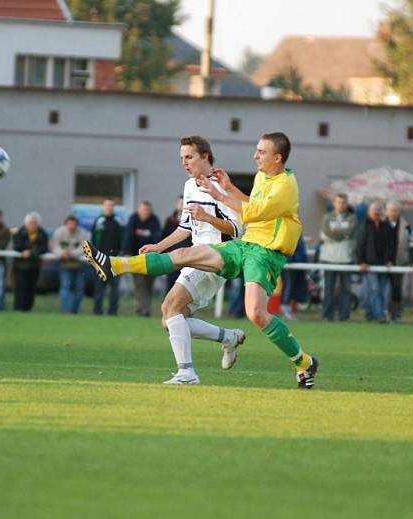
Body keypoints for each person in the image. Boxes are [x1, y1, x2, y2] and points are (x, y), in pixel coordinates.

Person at [84, 132, 320, 389]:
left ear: (277, 157)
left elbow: (252, 213)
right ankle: (115, 265)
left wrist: (220, 194)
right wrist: (228, 189)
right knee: (176, 285)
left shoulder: (285, 186)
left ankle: (304, 362)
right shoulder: (261, 176)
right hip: (244, 246)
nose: (255, 156)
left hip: (265, 253)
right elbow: (249, 204)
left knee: (255, 314)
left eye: (261, 152)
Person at [133, 135, 244, 384]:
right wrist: (158, 247)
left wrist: (208, 217)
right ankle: (228, 337)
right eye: (182, 158)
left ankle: (187, 373)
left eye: (189, 156)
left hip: (216, 257)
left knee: (171, 307)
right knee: (169, 319)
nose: (185, 162)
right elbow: (186, 228)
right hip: (194, 254)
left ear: (206, 156)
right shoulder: (189, 185)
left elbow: (238, 230)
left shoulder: (222, 186)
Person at [319, 193, 357, 321]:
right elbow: (328, 232)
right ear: (334, 203)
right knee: (328, 289)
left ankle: (344, 316)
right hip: (328, 259)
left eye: (343, 202)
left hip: (346, 259)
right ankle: (327, 316)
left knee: (346, 290)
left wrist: (336, 233)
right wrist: (342, 234)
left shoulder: (352, 218)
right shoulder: (326, 217)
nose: (341, 204)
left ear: (347, 204)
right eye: (338, 202)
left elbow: (350, 231)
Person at [123, 200, 161, 316]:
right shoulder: (133, 220)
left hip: (151, 258)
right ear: (139, 210)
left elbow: (157, 237)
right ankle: (143, 309)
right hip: (136, 257)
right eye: (143, 210)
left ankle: (145, 308)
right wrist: (127, 253)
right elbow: (128, 237)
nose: (145, 212)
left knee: (149, 285)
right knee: (139, 284)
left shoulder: (154, 221)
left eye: (147, 210)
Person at [357, 202, 393, 322]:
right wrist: (361, 261)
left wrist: (389, 260)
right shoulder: (364, 225)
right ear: (369, 212)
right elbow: (360, 245)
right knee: (375, 290)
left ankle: (372, 314)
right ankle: (379, 315)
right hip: (369, 265)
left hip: (383, 265)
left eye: (378, 209)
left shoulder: (386, 226)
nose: (376, 212)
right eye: (374, 209)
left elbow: (390, 245)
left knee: (382, 291)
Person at [51, 215, 89, 314]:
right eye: (69, 224)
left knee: (79, 289)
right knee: (65, 287)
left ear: (77, 225)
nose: (71, 226)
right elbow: (55, 246)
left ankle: (75, 310)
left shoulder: (83, 233)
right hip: (65, 264)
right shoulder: (59, 232)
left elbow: (84, 248)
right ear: (65, 224)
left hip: (79, 265)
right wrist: (61, 253)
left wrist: (70, 253)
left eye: (74, 224)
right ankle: (66, 310)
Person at [91, 199, 123, 315]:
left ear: (114, 207)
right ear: (103, 207)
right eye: (107, 205)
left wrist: (121, 252)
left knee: (114, 288)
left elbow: (123, 238)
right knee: (99, 287)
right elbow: (93, 239)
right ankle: (97, 310)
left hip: (116, 259)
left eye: (111, 205)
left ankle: (112, 311)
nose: (109, 207)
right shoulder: (99, 221)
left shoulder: (118, 221)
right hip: (101, 259)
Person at [13, 211, 48, 312]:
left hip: (34, 266)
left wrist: (31, 252)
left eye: (35, 223)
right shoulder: (19, 232)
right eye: (31, 223)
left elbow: (43, 248)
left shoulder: (42, 234)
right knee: (20, 287)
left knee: (31, 288)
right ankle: (18, 308)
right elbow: (17, 246)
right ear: (26, 223)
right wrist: (24, 251)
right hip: (20, 266)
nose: (33, 225)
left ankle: (28, 308)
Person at [385, 201, 411, 322]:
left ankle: (396, 315)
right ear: (387, 211)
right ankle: (382, 314)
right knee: (382, 291)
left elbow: (410, 245)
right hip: (383, 264)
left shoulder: (406, 226)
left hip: (399, 263)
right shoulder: (381, 224)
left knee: (397, 290)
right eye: (391, 210)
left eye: (395, 210)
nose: (393, 212)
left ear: (399, 212)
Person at [161, 195, 192, 291]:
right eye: (180, 203)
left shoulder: (193, 221)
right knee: (170, 286)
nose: (182, 206)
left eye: (184, 203)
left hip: (188, 259)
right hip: (172, 258)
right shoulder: (170, 221)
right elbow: (164, 238)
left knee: (185, 288)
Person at [280, 234, 308, 321]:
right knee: (288, 287)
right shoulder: (286, 228)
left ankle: (288, 311)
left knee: (294, 287)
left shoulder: (296, 228)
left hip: (298, 262)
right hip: (289, 263)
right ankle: (285, 310)